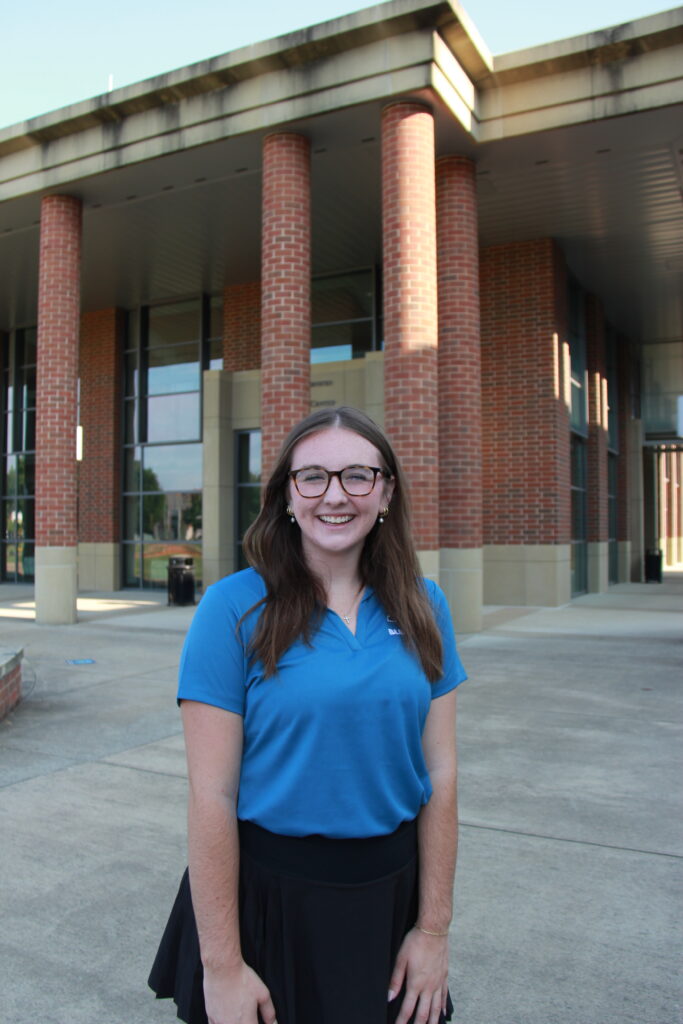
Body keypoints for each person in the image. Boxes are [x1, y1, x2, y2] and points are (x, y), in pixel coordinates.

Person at [149, 405, 467, 1024]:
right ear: (288, 497)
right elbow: (211, 795)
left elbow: (443, 777)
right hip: (269, 904)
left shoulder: (426, 605)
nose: (335, 496)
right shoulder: (232, 608)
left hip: (390, 897)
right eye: (313, 477)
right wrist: (222, 965)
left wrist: (433, 931)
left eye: (357, 475)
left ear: (386, 491)